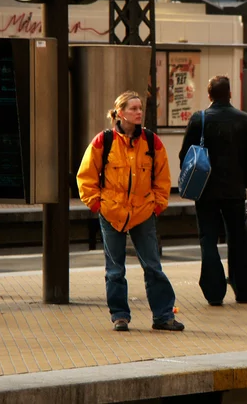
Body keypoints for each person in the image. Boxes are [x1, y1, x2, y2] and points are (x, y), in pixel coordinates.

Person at [77, 91, 184, 332]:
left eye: (140, 108)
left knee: (153, 267)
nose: (139, 112)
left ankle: (163, 316)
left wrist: (157, 204)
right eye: (134, 108)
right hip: (111, 213)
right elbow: (86, 177)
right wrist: (97, 204)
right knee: (115, 270)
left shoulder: (152, 141)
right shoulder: (103, 142)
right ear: (120, 112)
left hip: (143, 212)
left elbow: (163, 178)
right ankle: (120, 316)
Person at [179, 75, 247, 306]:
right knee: (238, 239)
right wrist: (244, 181)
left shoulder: (199, 119)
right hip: (234, 191)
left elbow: (185, 154)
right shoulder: (245, 120)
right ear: (230, 93)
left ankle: (214, 292)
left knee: (208, 238)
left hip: (205, 190)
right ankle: (243, 289)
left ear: (209, 94)